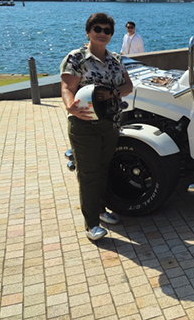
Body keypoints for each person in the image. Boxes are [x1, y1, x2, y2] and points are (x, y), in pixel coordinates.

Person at [60, 12, 133, 241]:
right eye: (98, 29)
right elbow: (66, 86)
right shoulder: (77, 57)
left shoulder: (114, 60)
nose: (102, 34)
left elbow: (127, 86)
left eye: (107, 30)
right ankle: (91, 224)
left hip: (109, 123)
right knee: (89, 173)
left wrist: (111, 93)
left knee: (103, 169)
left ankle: (100, 210)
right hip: (84, 124)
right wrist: (69, 105)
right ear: (88, 32)